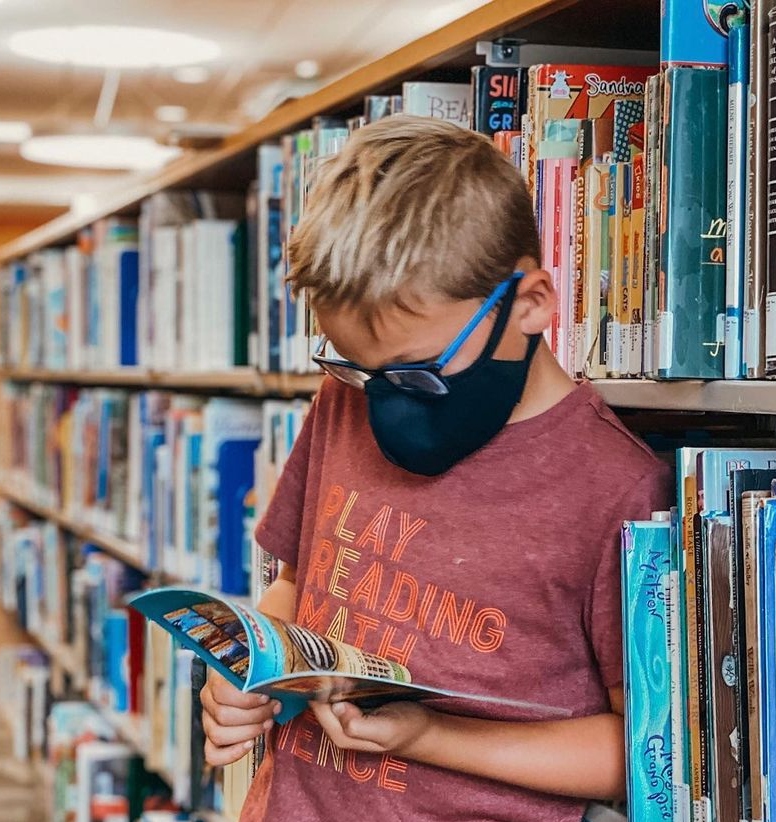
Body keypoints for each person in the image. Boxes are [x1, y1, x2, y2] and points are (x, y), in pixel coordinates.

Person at [199, 115, 672, 821]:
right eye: (356, 367)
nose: (382, 399)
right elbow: (297, 588)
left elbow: (641, 754)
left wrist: (428, 735)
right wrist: (249, 676)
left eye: (415, 372)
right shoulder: (344, 401)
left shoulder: (617, 488)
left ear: (530, 303)